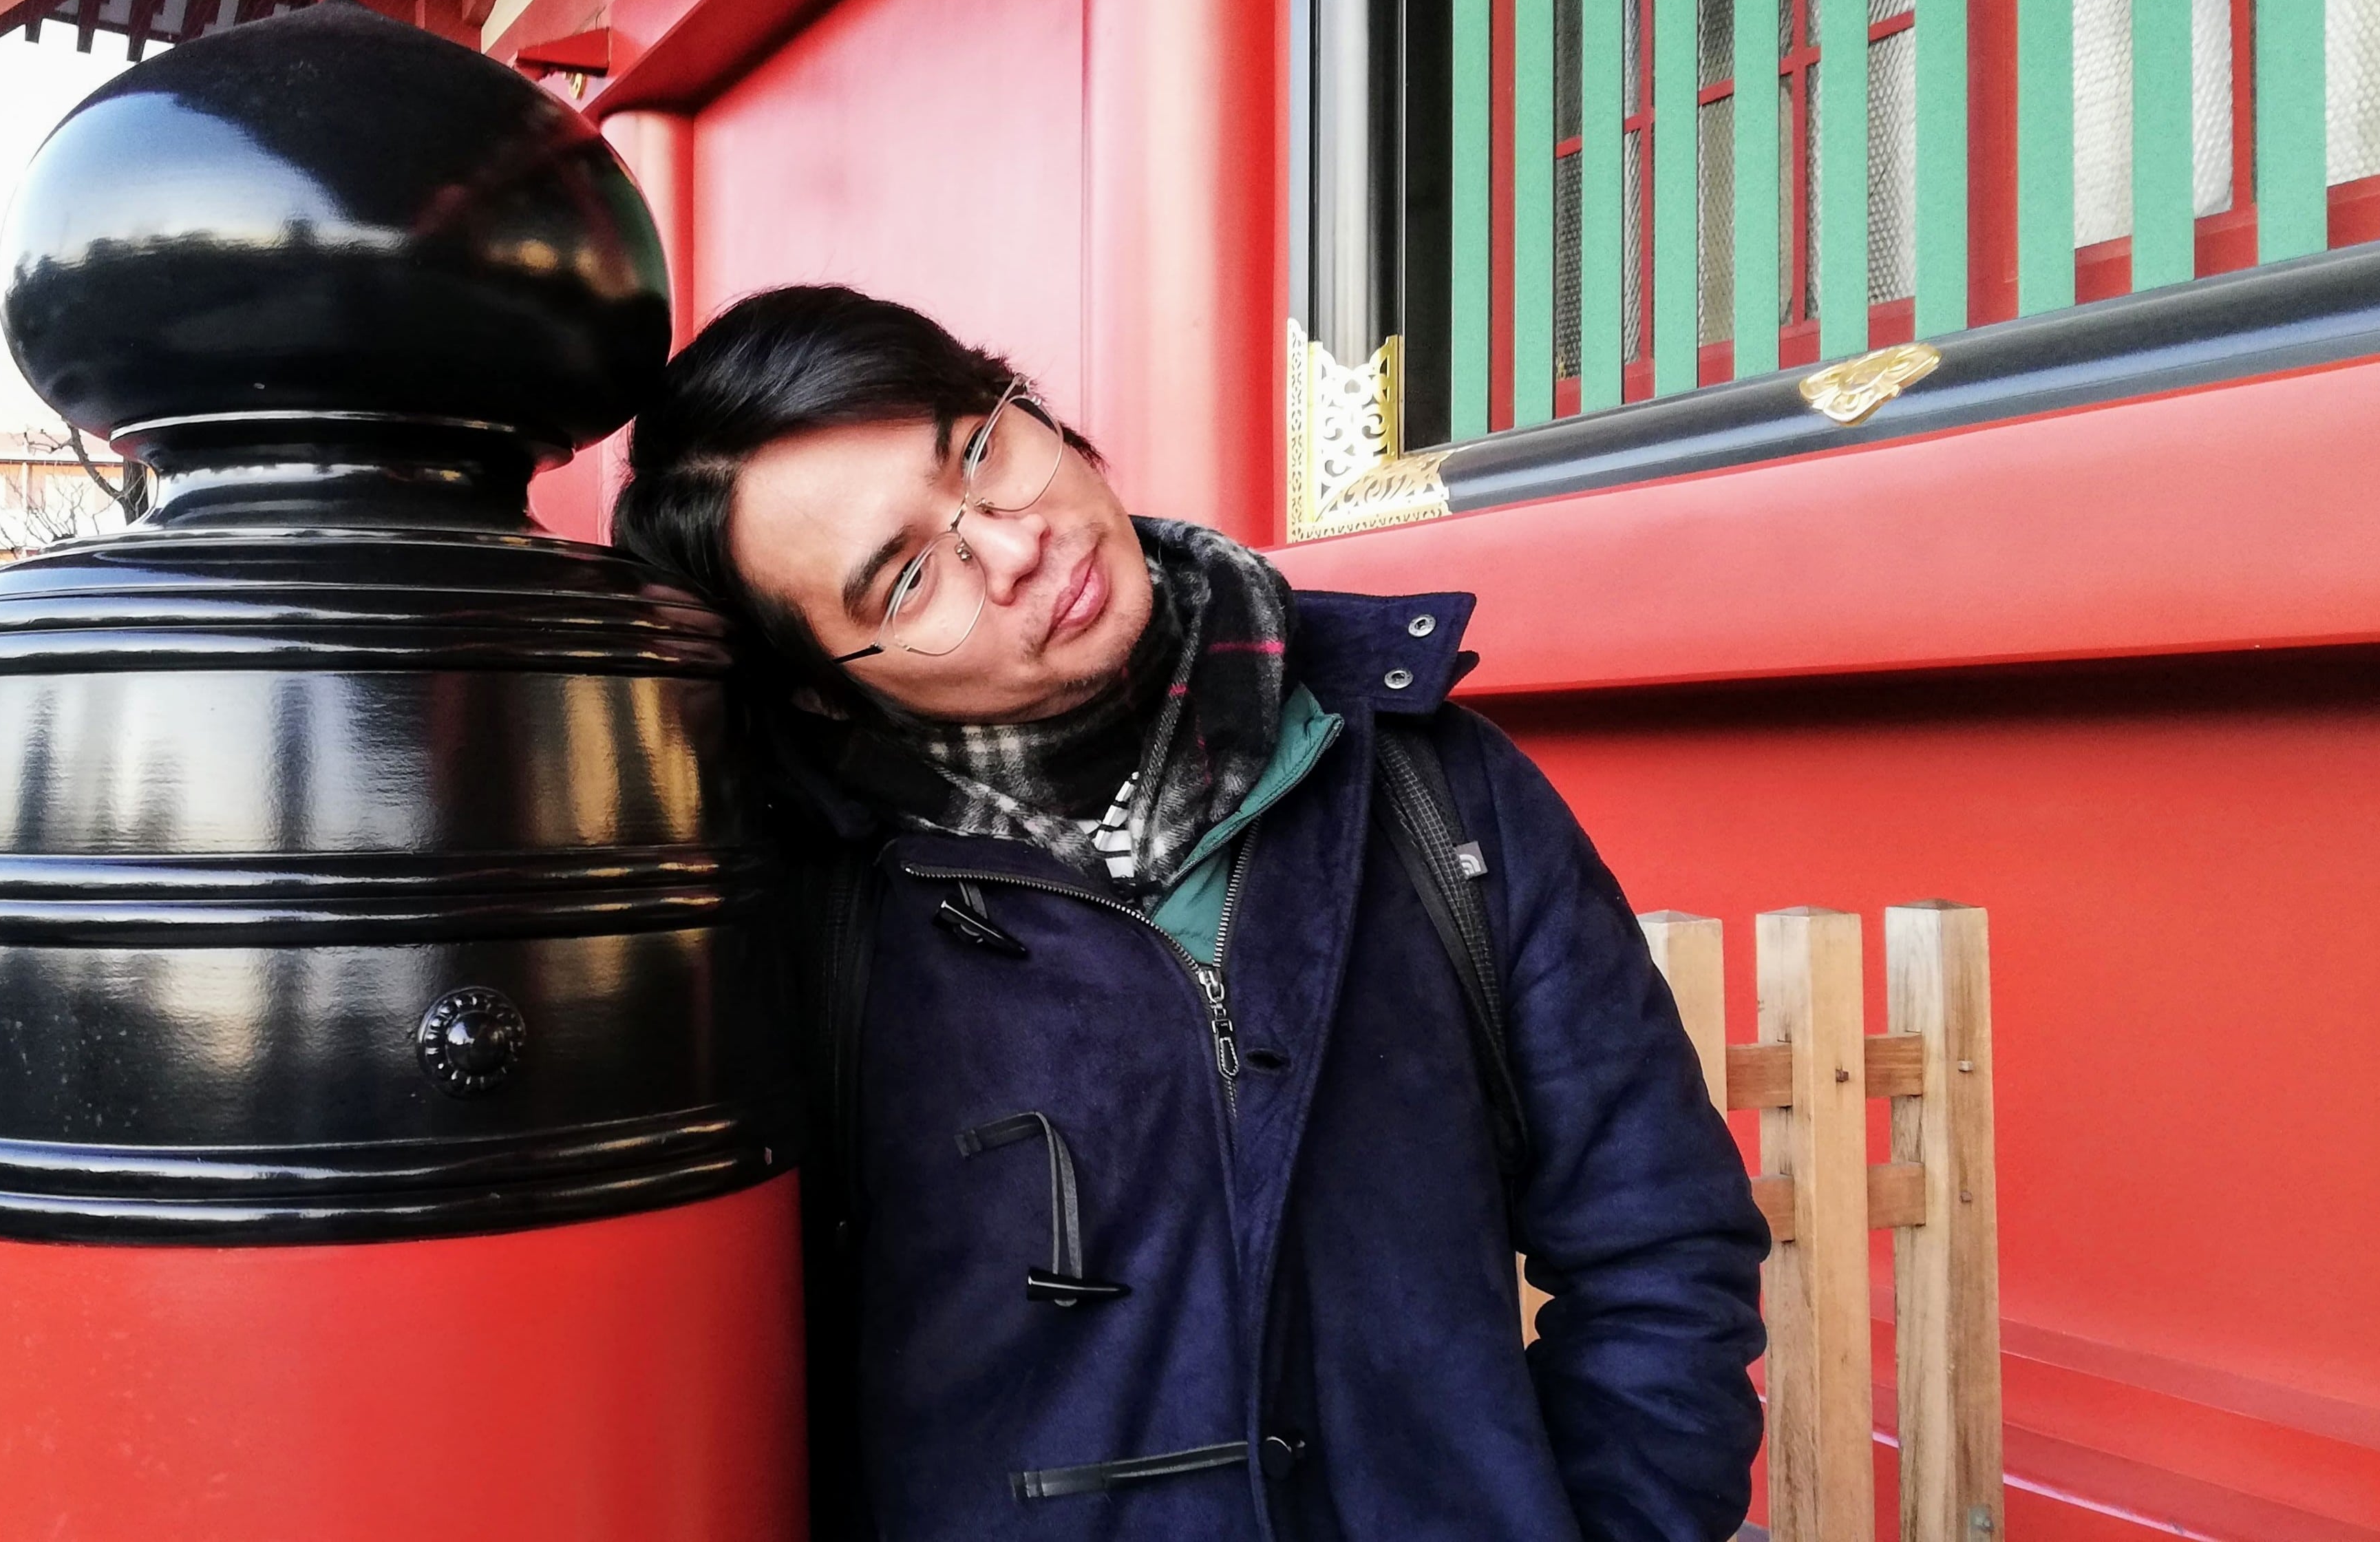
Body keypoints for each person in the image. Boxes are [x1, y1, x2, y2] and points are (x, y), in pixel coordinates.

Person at [610, 286, 1770, 1542]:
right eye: (908, 580)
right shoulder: (795, 928)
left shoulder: (1432, 787)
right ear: (822, 692)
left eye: (981, 452)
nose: (1013, 546)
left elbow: (1660, 1244)